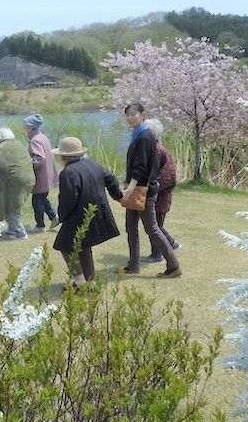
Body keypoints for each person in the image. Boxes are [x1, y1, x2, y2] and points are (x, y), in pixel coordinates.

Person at [51, 136, 123, 288]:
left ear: (64, 156)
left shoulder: (68, 172)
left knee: (64, 245)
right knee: (84, 244)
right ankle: (90, 282)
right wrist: (118, 196)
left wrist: (61, 217)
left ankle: (80, 280)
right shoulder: (93, 164)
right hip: (98, 212)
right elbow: (110, 178)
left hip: (80, 215)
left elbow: (68, 199)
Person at [120, 103, 181, 278]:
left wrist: (129, 189)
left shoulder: (145, 136)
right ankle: (133, 265)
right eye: (128, 114)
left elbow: (140, 166)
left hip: (143, 189)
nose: (130, 117)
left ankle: (173, 266)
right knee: (130, 227)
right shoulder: (137, 134)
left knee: (152, 228)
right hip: (136, 188)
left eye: (134, 114)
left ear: (142, 115)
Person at [141, 119, 180, 263]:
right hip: (157, 194)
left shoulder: (157, 150)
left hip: (159, 196)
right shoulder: (154, 148)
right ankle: (172, 243)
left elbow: (168, 177)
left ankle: (157, 255)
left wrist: (152, 190)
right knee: (155, 225)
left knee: (154, 226)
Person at [0, 127, 36, 240]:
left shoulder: (3, 147)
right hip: (28, 179)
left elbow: (0, 165)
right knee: (15, 205)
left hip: (15, 180)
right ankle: (12, 229)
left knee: (10, 207)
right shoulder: (19, 144)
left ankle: (21, 233)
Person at [23, 113, 59, 232]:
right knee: (42, 198)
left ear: (30, 127)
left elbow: (40, 159)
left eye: (26, 125)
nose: (24, 128)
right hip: (47, 174)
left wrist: (28, 165)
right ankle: (54, 217)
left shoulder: (35, 140)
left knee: (37, 201)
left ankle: (40, 225)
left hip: (41, 176)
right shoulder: (42, 136)